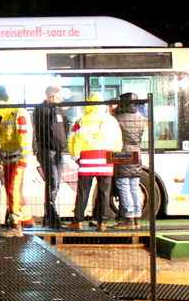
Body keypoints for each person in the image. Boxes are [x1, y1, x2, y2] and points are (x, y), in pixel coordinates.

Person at [68, 93, 122, 230]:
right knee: (104, 192)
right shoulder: (112, 121)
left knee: (83, 192)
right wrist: (112, 158)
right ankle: (102, 223)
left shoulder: (81, 121)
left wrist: (76, 158)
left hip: (86, 161)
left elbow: (74, 142)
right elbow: (118, 143)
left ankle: (77, 221)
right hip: (106, 161)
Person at [0, 86, 34, 232]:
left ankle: (16, 226)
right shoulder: (2, 114)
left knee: (13, 190)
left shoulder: (17, 113)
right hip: (9, 158)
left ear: (0, 100)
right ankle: (27, 220)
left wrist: (23, 159)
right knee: (12, 190)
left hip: (17, 158)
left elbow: (25, 137)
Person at [32, 84, 69, 229]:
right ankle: (51, 215)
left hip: (59, 151)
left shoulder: (57, 109)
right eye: (59, 97)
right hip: (48, 150)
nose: (61, 100)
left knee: (56, 183)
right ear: (52, 96)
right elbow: (45, 130)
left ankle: (50, 215)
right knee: (53, 183)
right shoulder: (42, 110)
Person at [113, 92, 148, 229]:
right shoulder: (140, 119)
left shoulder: (118, 118)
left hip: (122, 153)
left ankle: (128, 217)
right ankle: (137, 217)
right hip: (136, 153)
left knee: (123, 185)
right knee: (134, 185)